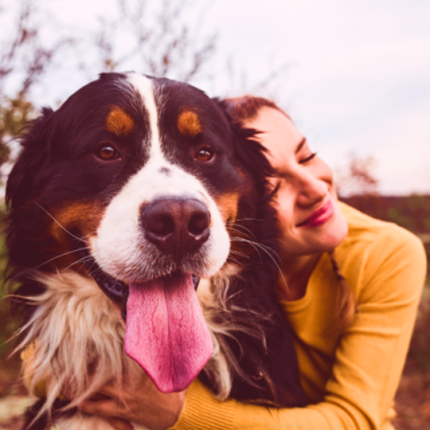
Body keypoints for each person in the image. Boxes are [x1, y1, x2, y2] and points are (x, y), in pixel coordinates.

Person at [78, 96, 427, 430]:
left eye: (307, 157)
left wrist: (181, 413)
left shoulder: (389, 251)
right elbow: (49, 356)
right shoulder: (216, 274)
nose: (315, 189)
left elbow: (356, 421)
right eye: (276, 185)